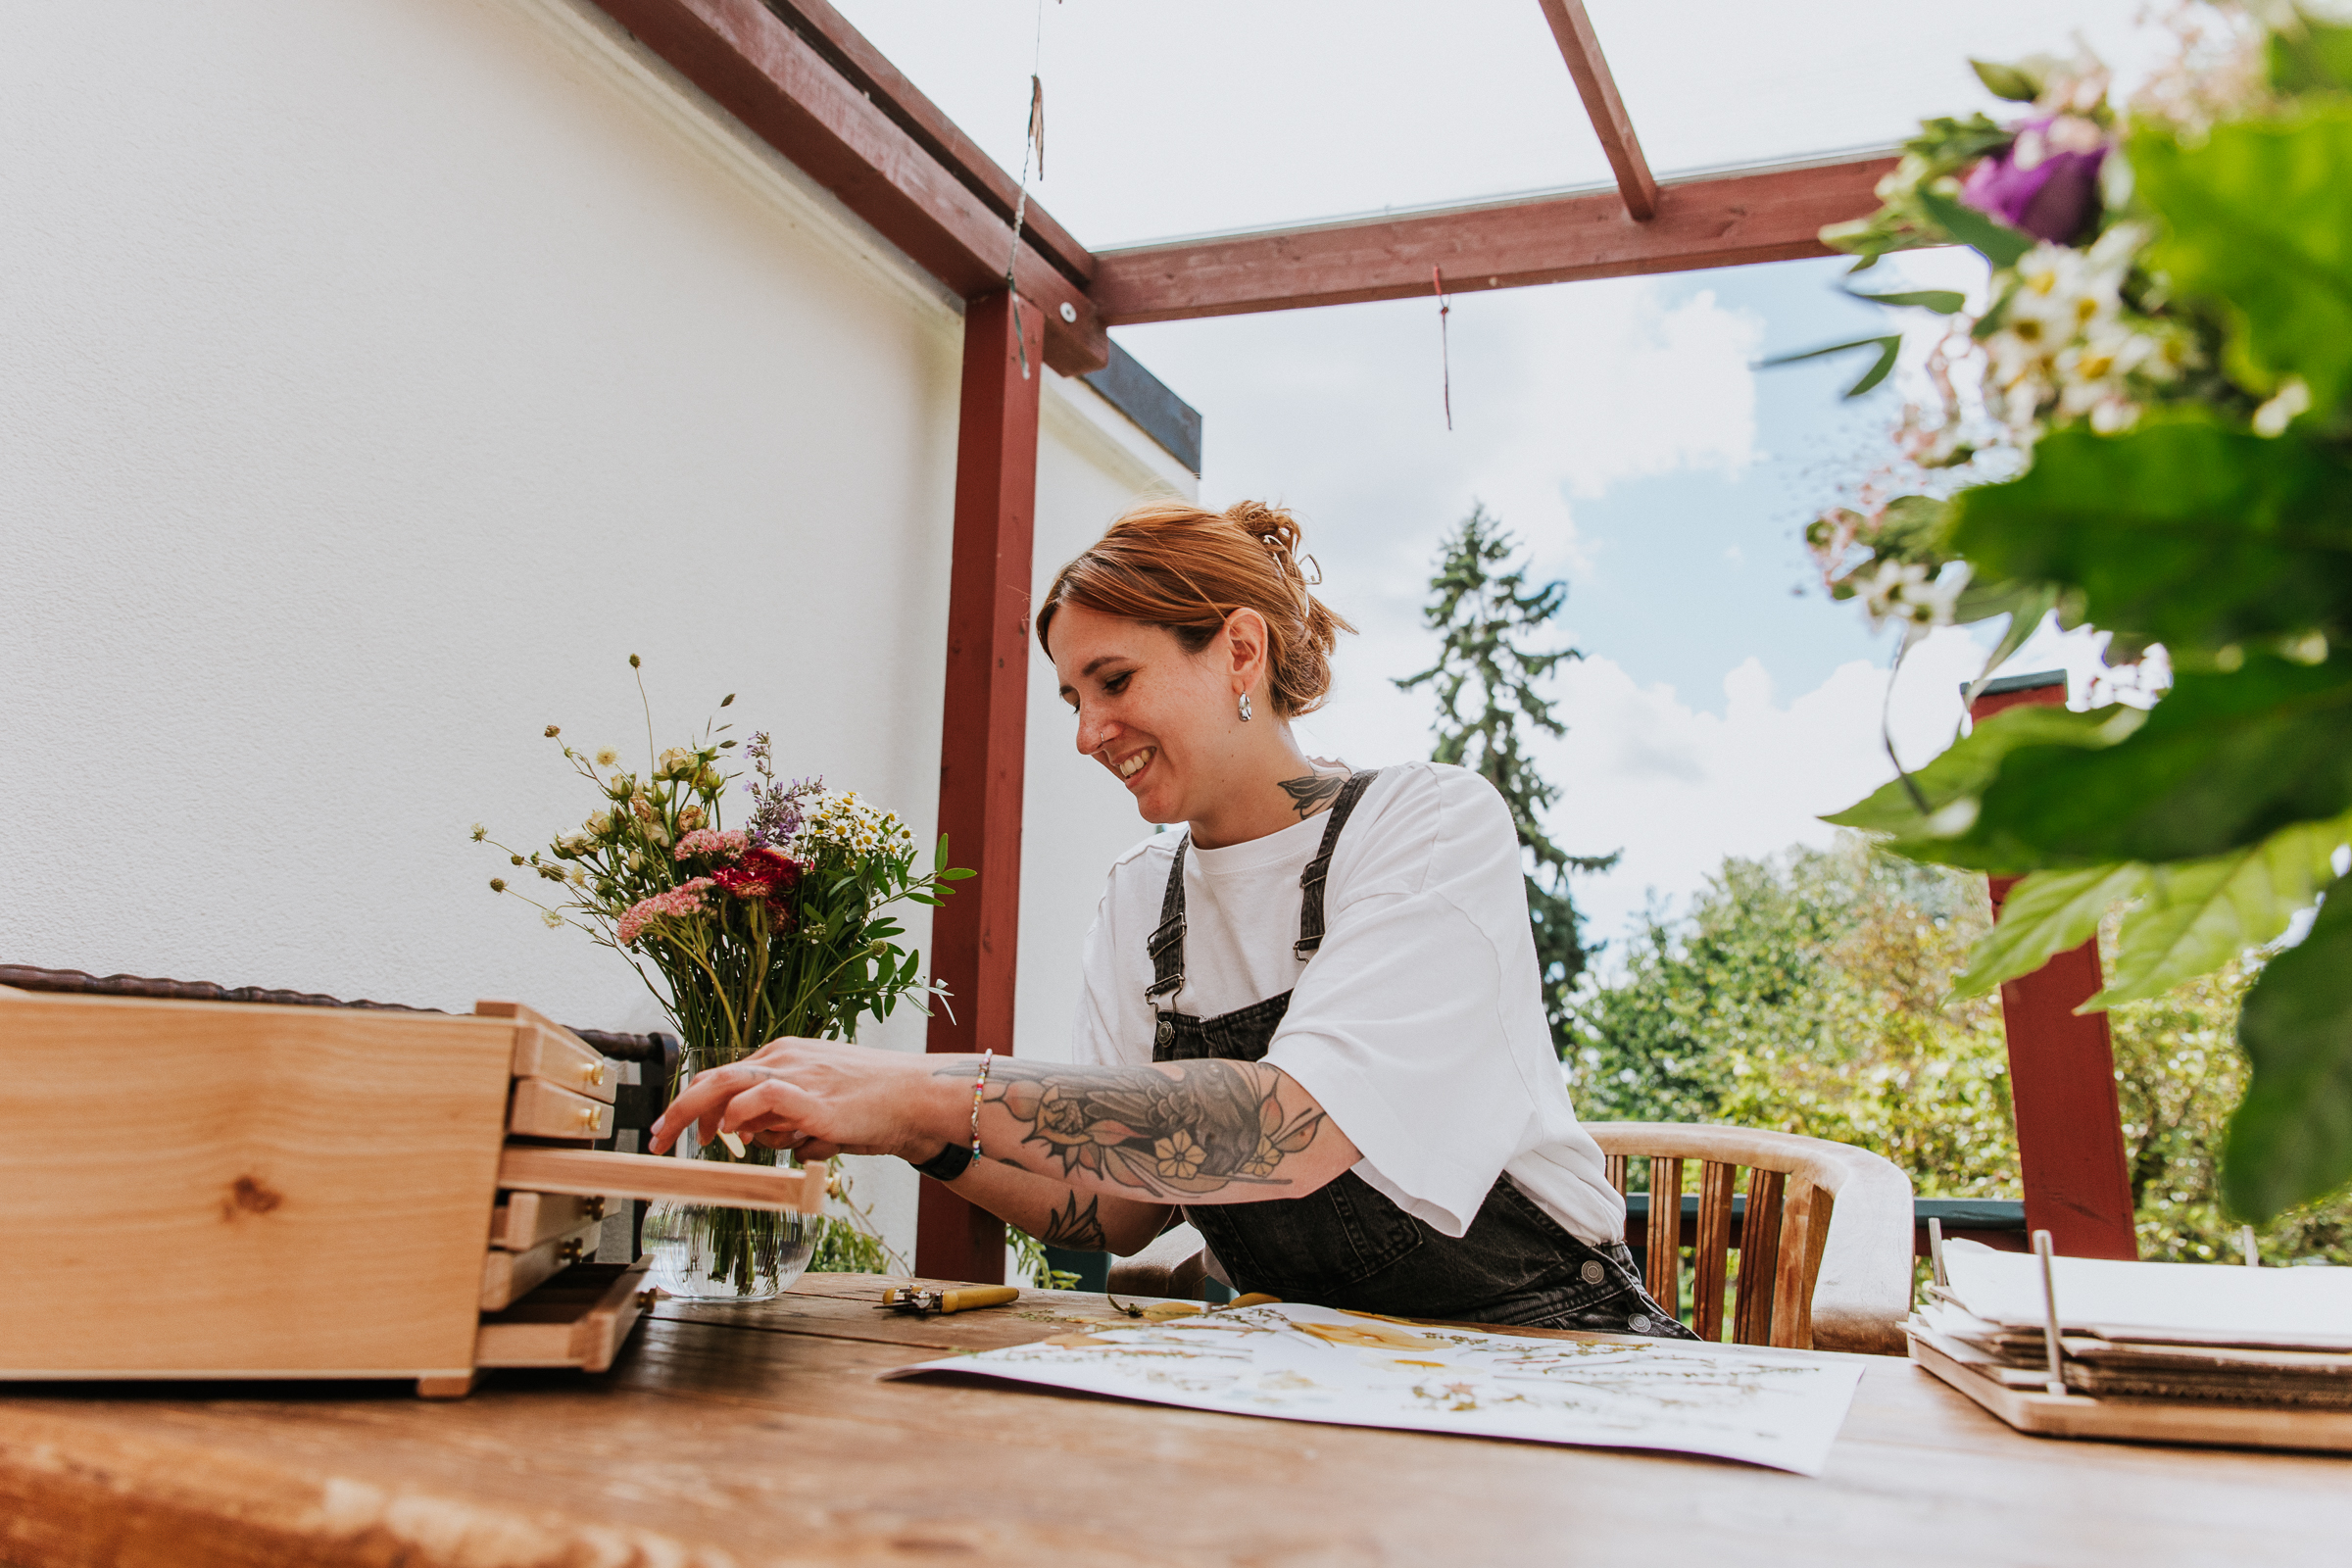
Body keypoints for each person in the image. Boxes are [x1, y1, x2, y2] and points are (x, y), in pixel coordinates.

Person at [651, 499, 1691, 1335]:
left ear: (1240, 651)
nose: (1088, 732)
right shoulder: (1143, 892)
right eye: (1069, 697)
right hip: (1306, 1353)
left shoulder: (1423, 825)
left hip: (1549, 1347)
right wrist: (916, 1131)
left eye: (1115, 680)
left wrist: (930, 1083)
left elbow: (1283, 1132)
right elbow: (1127, 1207)